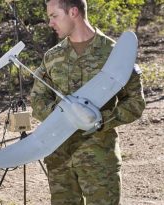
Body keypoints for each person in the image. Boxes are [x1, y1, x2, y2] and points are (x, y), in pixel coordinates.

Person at [30, 0, 146, 204]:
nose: (50, 23)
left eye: (54, 16)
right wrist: (63, 116)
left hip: (98, 159)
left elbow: (135, 102)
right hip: (60, 160)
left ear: (73, 12)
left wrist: (100, 121)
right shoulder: (52, 57)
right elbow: (38, 98)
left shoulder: (115, 54)